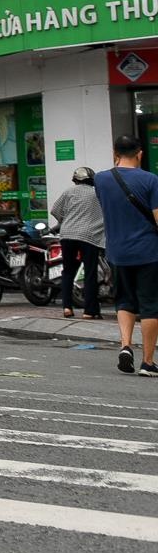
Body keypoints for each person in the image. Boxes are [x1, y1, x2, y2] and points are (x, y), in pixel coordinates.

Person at [93, 136, 158, 375]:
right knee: (151, 306)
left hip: (117, 252)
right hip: (149, 252)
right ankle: (148, 361)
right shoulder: (151, 180)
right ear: (140, 154)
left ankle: (125, 346)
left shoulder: (100, 180)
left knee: (124, 300)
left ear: (115, 153)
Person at [50, 168, 106, 321]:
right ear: (91, 180)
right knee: (90, 273)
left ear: (75, 179)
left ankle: (67, 307)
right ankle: (89, 310)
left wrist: (65, 219)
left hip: (67, 234)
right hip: (89, 236)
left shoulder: (68, 192)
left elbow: (55, 210)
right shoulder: (97, 194)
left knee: (68, 271)